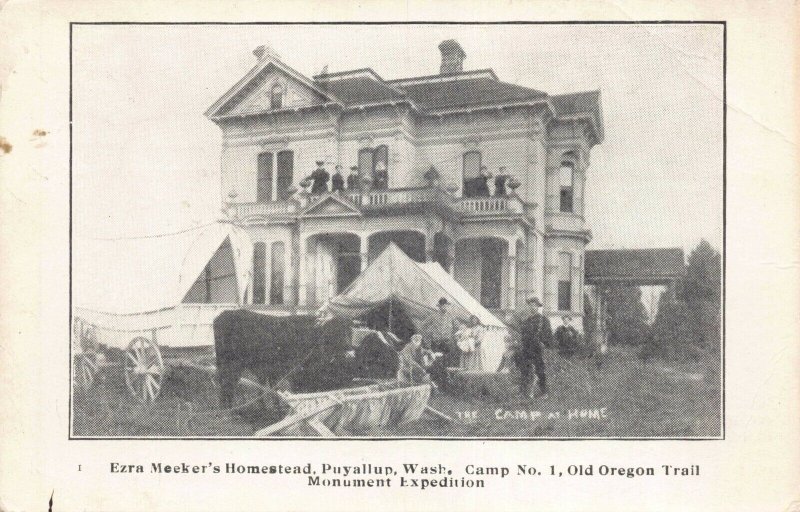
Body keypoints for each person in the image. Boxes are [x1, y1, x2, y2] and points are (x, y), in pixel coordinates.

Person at [515, 296, 552, 399]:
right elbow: (523, 335)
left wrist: (543, 343)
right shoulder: (526, 321)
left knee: (540, 370)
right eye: (530, 305)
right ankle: (523, 392)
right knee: (525, 370)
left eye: (534, 305)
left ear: (538, 307)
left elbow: (548, 334)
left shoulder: (543, 320)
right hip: (527, 348)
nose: (532, 307)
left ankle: (544, 393)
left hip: (538, 349)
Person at [421, 297, 458, 386]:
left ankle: (445, 383)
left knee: (446, 362)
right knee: (435, 362)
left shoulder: (451, 316)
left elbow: (458, 327)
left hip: (447, 343)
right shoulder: (433, 316)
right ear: (439, 307)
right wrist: (428, 337)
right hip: (436, 343)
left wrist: (453, 336)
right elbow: (423, 326)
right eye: (443, 306)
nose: (444, 308)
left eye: (446, 306)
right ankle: (435, 383)